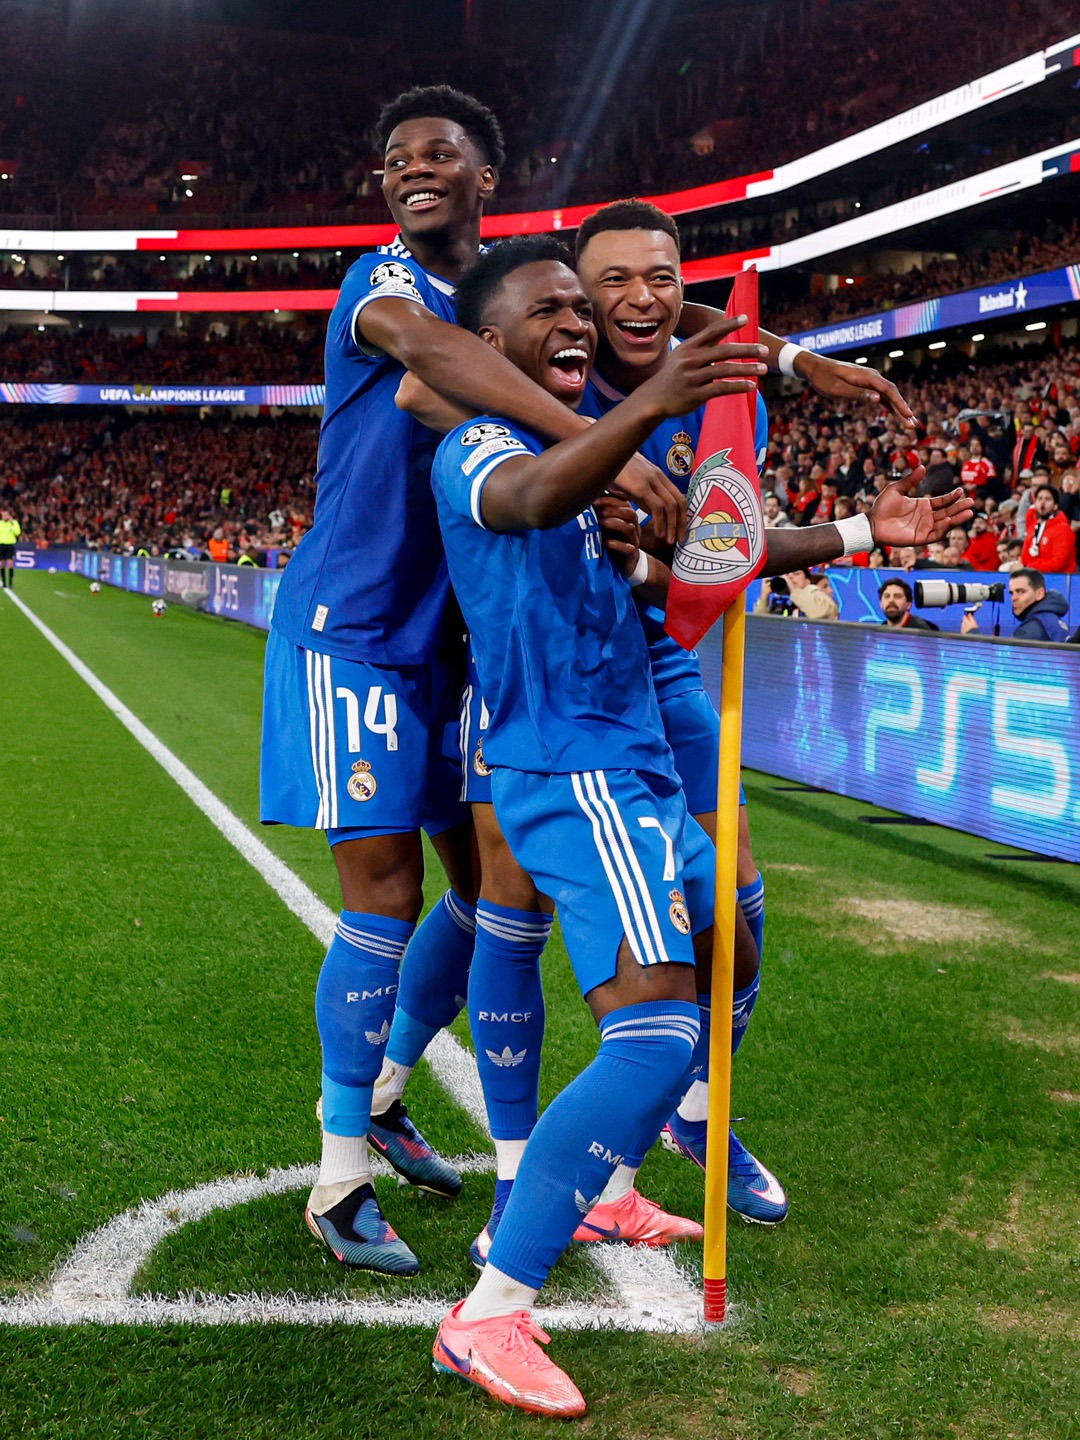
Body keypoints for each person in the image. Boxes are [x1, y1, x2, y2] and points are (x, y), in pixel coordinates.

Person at [425, 238, 971, 1414]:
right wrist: (647, 413)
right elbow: (532, 499)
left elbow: (710, 560)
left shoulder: (597, 453)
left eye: (579, 310)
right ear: (490, 344)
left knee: (737, 956)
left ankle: (614, 1180)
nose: (577, 323)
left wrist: (864, 536)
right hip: (576, 771)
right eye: (551, 309)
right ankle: (490, 1311)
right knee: (658, 1030)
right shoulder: (483, 445)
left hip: (638, 766)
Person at [259, 85, 688, 1277]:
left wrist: (785, 353)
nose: (412, 168)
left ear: (486, 176)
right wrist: (594, 439)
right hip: (356, 626)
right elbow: (422, 371)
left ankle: (390, 1085)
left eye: (438, 153)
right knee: (383, 894)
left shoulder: (508, 296)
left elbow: (642, 313)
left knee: (490, 891)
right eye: (396, 157)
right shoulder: (385, 283)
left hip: (457, 642)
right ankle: (339, 1173)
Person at [961, 568, 1070, 641]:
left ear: (1039, 594)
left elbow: (1006, 665)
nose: (1013, 598)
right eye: (1012, 593)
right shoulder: (1048, 619)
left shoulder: (1034, 628)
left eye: (1021, 591)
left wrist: (973, 635)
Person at [1020, 484, 1077, 574]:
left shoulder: (1063, 529)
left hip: (1059, 580)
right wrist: (1023, 567)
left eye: (1047, 499)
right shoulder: (1033, 528)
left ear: (1055, 506)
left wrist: (1026, 568)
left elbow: (1058, 563)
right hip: (1033, 578)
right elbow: (1025, 558)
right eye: (1039, 499)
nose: (1042, 502)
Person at [0, 508, 20, 588]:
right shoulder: (0, 523)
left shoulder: (14, 523)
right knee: (2, 564)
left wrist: (12, 523)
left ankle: (11, 582)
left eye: (7, 515)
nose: (5, 516)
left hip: (10, 546)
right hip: (1, 545)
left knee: (10, 564)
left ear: (9, 515)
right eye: (4, 515)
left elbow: (18, 532)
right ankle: (4, 582)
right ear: (2, 516)